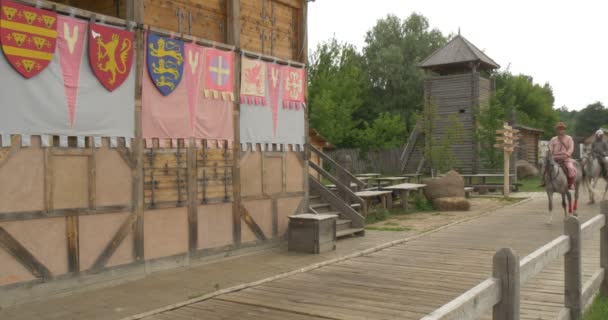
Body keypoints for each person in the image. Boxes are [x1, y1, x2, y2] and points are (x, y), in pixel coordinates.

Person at [548, 122, 576, 190]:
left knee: (571, 168)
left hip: (565, 158)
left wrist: (567, 154)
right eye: (559, 129)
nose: (560, 130)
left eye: (562, 129)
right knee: (546, 168)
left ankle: (570, 184)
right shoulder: (553, 139)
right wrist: (551, 153)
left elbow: (571, 148)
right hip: (554, 158)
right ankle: (546, 182)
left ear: (564, 130)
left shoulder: (569, 138)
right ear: (556, 130)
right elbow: (550, 147)